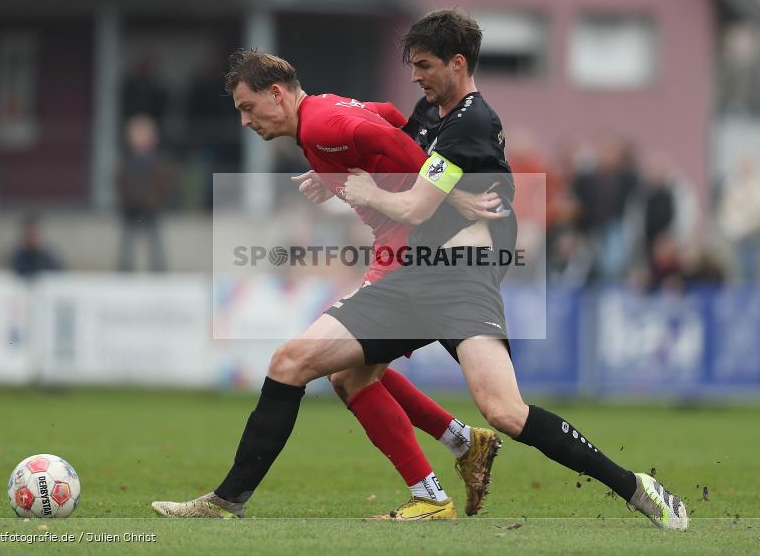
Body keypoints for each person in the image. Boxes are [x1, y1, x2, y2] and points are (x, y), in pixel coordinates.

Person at [154, 10, 688, 531]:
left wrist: (359, 188)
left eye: (425, 65)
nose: (416, 76)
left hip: (458, 273)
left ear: (458, 64)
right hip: (425, 270)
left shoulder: (471, 122)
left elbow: (414, 206)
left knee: (504, 411)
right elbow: (389, 122)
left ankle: (635, 488)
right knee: (315, 366)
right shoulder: (433, 112)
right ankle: (242, 500)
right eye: (413, 65)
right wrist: (341, 174)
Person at [157, 49, 503, 521]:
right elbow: (385, 117)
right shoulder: (323, 111)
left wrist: (449, 192)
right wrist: (337, 174)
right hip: (399, 252)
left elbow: (393, 140)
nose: (244, 121)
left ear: (276, 94)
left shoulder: (320, 125)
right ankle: (461, 447)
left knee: (298, 362)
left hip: (405, 259)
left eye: (247, 107)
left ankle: (229, 501)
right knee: (352, 374)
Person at [116, 115, 172, 272]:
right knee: (127, 245)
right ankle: (124, 271)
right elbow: (121, 184)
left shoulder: (159, 161)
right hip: (130, 209)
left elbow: (163, 185)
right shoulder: (126, 161)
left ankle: (158, 271)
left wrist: (154, 201)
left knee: (155, 243)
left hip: (151, 209)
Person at [11, 213, 63, 279]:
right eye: (28, 235)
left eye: (33, 234)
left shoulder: (50, 259)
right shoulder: (16, 258)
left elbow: (60, 278)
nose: (31, 239)